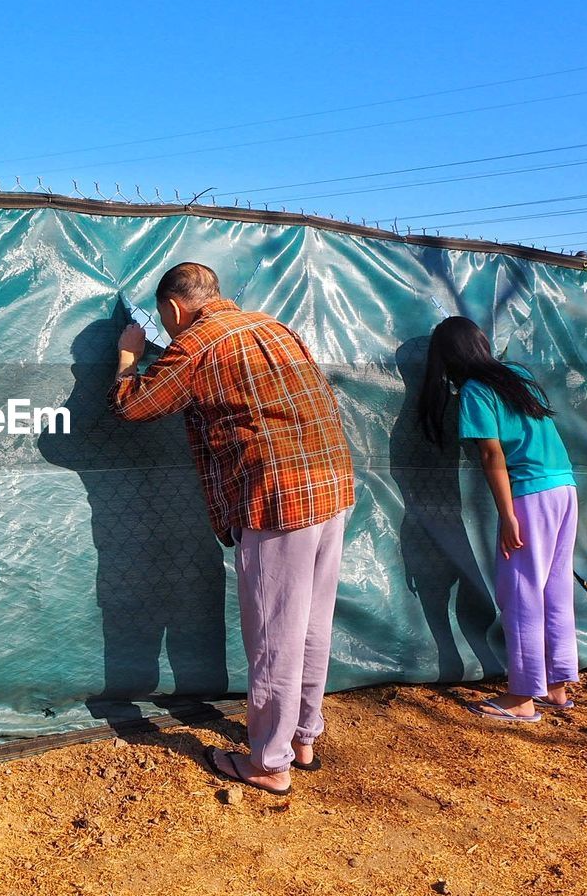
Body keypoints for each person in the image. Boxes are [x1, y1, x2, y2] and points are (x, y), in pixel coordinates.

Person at [109, 262, 355, 795]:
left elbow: (134, 405)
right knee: (312, 623)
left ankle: (270, 762)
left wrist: (130, 355)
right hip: (332, 485)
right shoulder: (275, 326)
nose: (166, 330)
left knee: (274, 637)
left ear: (174, 309)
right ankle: (304, 736)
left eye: (163, 320)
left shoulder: (195, 343)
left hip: (277, 497)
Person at [419, 316, 579, 722]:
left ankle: (523, 696)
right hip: (565, 488)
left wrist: (508, 515)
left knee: (521, 590)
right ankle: (557, 686)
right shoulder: (517, 374)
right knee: (555, 587)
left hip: (530, 494)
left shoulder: (474, 391)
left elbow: (492, 456)